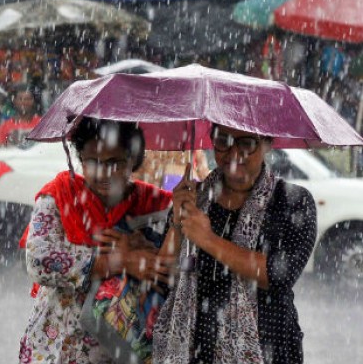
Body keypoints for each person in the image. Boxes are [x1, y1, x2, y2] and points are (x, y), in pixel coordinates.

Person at [152, 124, 317, 364]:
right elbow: (163, 274)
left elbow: (279, 275)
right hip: (196, 350)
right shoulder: (194, 197)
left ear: (267, 144)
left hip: (267, 348)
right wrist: (179, 222)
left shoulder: (293, 201)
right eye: (223, 140)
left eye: (247, 143)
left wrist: (208, 239)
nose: (233, 153)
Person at [18, 118, 173, 364]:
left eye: (115, 163)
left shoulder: (152, 205)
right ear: (80, 158)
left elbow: (173, 263)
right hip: (59, 342)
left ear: (132, 160)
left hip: (119, 346)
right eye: (93, 162)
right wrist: (117, 262)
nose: (104, 173)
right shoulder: (59, 195)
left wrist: (145, 251)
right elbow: (40, 261)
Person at [135, 150, 211, 191]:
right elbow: (204, 174)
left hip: (157, 185)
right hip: (187, 184)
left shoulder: (151, 144)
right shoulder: (192, 143)